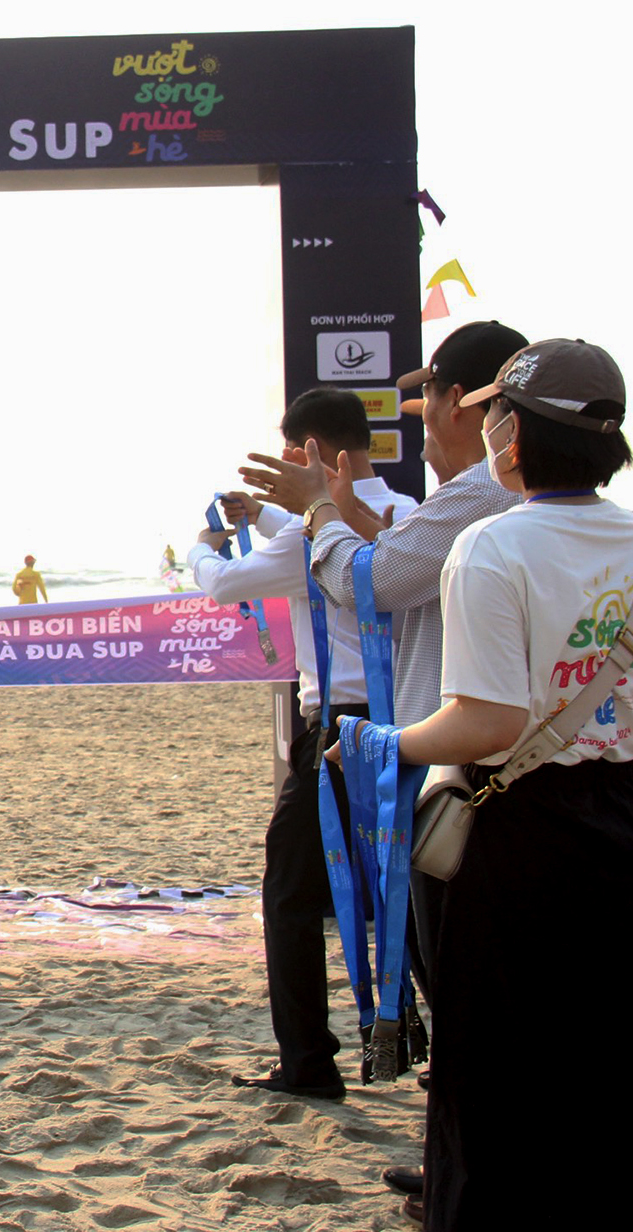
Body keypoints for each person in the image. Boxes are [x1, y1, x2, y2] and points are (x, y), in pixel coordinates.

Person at [358, 339, 633, 1226]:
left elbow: (486, 724)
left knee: (508, 1064)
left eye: (496, 410)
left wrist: (384, 739)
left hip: (518, 831)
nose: (487, 424)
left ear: (516, 435)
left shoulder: (491, 547)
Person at [241, 320, 528, 1204]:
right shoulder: (587, 522)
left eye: (432, 398)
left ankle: (463, 1164)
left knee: (446, 962)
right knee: (459, 966)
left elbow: (368, 581)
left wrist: (316, 512)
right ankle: (459, 1156)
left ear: (475, 409)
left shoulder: (479, 499)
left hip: (455, 759)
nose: (425, 420)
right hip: (543, 771)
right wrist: (335, 510)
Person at [194, 388, 418, 1102]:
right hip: (406, 722)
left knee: (290, 897)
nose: (284, 470)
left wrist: (204, 549)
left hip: (335, 732)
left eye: (292, 456)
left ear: (316, 454)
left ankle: (307, 1063)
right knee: (403, 893)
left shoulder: (309, 536)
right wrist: (261, 513)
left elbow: (229, 582)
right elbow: (305, 530)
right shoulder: (411, 516)